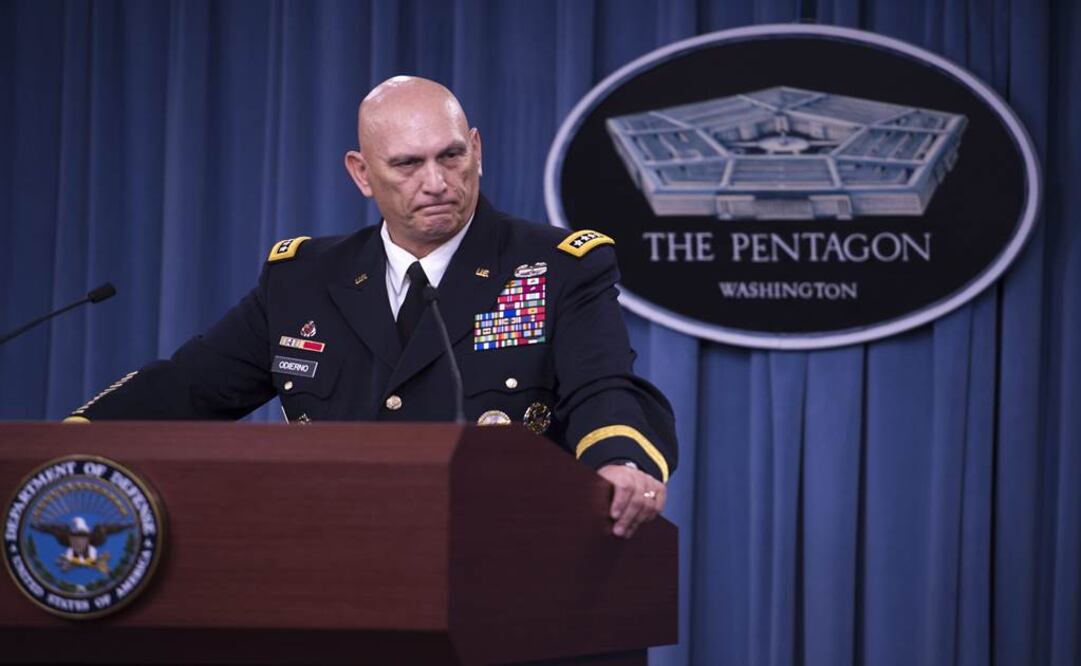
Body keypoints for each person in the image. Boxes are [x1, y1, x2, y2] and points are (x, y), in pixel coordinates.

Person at [66, 76, 677, 539]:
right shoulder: (303, 280)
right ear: (361, 174)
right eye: (407, 165)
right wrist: (65, 447)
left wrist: (618, 463)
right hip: (337, 564)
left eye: (451, 156)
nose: (436, 183)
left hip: (501, 559)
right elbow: (190, 388)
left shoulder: (557, 264)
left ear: (477, 150)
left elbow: (603, 386)